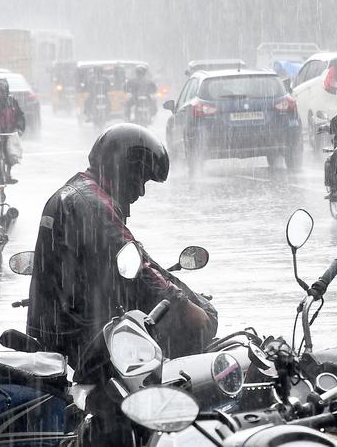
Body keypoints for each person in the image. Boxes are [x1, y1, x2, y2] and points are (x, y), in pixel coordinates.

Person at [27, 123, 218, 373]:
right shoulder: (93, 205)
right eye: (139, 179)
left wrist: (180, 293)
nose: (140, 192)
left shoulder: (78, 192)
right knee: (178, 360)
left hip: (57, 327)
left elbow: (133, 256)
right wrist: (183, 306)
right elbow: (135, 267)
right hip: (79, 333)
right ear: (121, 170)